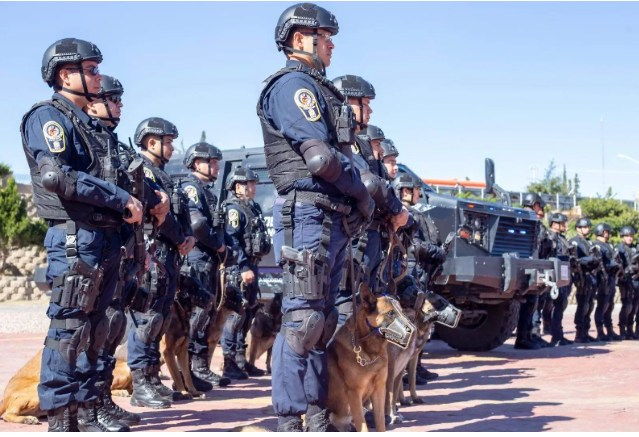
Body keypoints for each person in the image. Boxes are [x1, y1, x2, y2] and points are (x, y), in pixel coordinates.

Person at [257, 2, 374, 431]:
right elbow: (321, 159)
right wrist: (362, 194)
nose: (331, 45)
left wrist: (355, 202)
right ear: (299, 38)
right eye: (325, 37)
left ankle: (318, 413)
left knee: (323, 323)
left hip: (330, 216)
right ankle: (290, 420)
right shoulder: (293, 86)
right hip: (306, 214)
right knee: (302, 322)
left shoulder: (321, 90)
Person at [21, 37, 143, 432]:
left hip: (105, 237)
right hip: (75, 237)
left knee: (97, 329)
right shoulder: (48, 117)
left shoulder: (90, 127)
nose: (97, 77)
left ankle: (88, 410)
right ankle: (61, 416)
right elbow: (57, 176)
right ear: (64, 75)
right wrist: (120, 198)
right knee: (69, 329)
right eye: (90, 70)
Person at [84, 75, 169, 429]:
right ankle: (89, 405)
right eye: (113, 99)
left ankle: (102, 399)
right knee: (97, 328)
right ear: (93, 103)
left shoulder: (115, 146)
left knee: (115, 324)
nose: (120, 105)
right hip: (96, 244)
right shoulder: (88, 142)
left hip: (123, 248)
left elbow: (140, 187)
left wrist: (159, 198)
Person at [127, 117, 196, 409]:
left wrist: (187, 237)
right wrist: (180, 238)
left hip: (168, 255)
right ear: (151, 142)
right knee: (147, 319)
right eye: (167, 142)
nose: (171, 148)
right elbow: (158, 213)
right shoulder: (142, 171)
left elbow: (176, 214)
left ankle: (153, 378)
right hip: (152, 253)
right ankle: (140, 382)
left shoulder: (163, 175)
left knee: (161, 319)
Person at [331, 75, 407, 326]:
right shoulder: (348, 146)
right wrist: (397, 210)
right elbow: (371, 186)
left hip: (368, 235)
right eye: (364, 103)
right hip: (356, 235)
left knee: (370, 296)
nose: (381, 150)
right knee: (348, 302)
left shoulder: (353, 148)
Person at [179, 142, 232, 388]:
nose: (217, 167)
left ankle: (199, 368)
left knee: (206, 315)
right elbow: (198, 226)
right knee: (197, 315)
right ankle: (187, 370)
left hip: (208, 261)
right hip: (197, 258)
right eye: (212, 162)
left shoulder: (207, 191)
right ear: (197, 163)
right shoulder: (191, 188)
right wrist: (219, 247)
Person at [221, 166, 273, 378]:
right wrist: (243, 267)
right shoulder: (233, 209)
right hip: (239, 268)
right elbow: (232, 241)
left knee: (248, 314)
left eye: (253, 183)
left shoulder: (253, 208)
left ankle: (242, 361)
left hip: (252, 265)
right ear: (237, 186)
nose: (253, 187)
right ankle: (229, 362)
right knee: (235, 315)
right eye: (249, 184)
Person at [515, 193, 550, 349]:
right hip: (529, 266)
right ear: (535, 204)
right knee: (529, 303)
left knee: (532, 303)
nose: (540, 209)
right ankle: (523, 338)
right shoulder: (530, 220)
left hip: (527, 265)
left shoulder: (519, 217)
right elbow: (539, 239)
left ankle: (528, 336)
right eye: (539, 206)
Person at [570, 217, 601, 343]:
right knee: (582, 305)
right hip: (582, 276)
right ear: (578, 228)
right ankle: (579, 334)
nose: (587, 229)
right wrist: (589, 259)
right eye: (584, 227)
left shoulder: (589, 242)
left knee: (590, 305)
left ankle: (585, 332)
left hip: (591, 276)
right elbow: (574, 260)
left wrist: (594, 259)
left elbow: (596, 257)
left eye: (588, 227)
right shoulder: (574, 241)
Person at [545, 213, 574, 346]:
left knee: (561, 305)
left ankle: (559, 335)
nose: (564, 225)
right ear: (554, 223)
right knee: (553, 305)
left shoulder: (562, 238)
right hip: (554, 275)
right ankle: (555, 335)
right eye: (562, 223)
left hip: (563, 273)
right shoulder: (550, 237)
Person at [592, 223, 622, 341]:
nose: (608, 234)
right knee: (602, 305)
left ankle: (609, 330)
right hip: (602, 279)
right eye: (606, 232)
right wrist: (613, 264)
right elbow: (600, 263)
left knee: (610, 305)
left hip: (610, 278)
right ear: (602, 232)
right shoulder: (597, 245)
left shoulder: (608, 245)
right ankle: (600, 332)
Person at [615, 226, 639, 340]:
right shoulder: (619, 248)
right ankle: (622, 329)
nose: (629, 238)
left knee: (635, 305)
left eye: (631, 236)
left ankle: (631, 329)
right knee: (627, 305)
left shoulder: (635, 248)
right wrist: (627, 270)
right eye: (627, 236)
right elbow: (617, 264)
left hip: (636, 279)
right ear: (622, 237)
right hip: (625, 280)